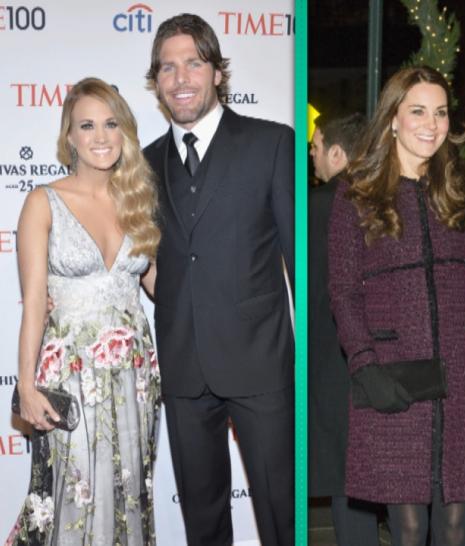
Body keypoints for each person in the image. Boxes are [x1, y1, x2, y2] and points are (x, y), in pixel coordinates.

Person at [141, 13, 295, 546]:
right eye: (167, 68)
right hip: (183, 369)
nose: (180, 78)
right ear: (156, 81)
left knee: (282, 516)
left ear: (217, 72)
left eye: (193, 63)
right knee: (202, 524)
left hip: (261, 364)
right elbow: (145, 261)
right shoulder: (144, 165)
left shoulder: (271, 144)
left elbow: (298, 260)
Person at [328, 66, 465, 546]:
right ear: (393, 118)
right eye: (418, 111)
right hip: (394, 373)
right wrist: (364, 364)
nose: (431, 124)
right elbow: (342, 290)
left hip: (461, 377)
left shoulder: (458, 188)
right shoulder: (357, 191)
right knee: (409, 528)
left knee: (457, 527)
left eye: (440, 112)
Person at [7, 78, 162, 544]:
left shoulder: (138, 200)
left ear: (124, 132)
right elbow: (35, 301)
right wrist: (26, 384)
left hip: (134, 376)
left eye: (111, 124)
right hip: (71, 374)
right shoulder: (43, 202)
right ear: (69, 136)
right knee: (73, 496)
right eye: (87, 125)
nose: (100, 136)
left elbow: (161, 287)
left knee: (129, 491)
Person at [307, 112, 380, 546]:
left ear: (337, 153)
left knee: (345, 479)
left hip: (331, 358)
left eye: (315, 148)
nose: (313, 157)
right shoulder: (388, 202)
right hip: (388, 355)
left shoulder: (315, 207)